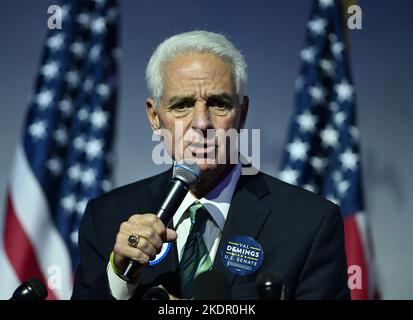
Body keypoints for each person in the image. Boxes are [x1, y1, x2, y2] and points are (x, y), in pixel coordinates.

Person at [71, 30, 349, 300]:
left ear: (242, 115)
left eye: (218, 103)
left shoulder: (310, 224)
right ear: (155, 117)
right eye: (182, 105)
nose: (202, 123)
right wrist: (120, 276)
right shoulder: (106, 218)